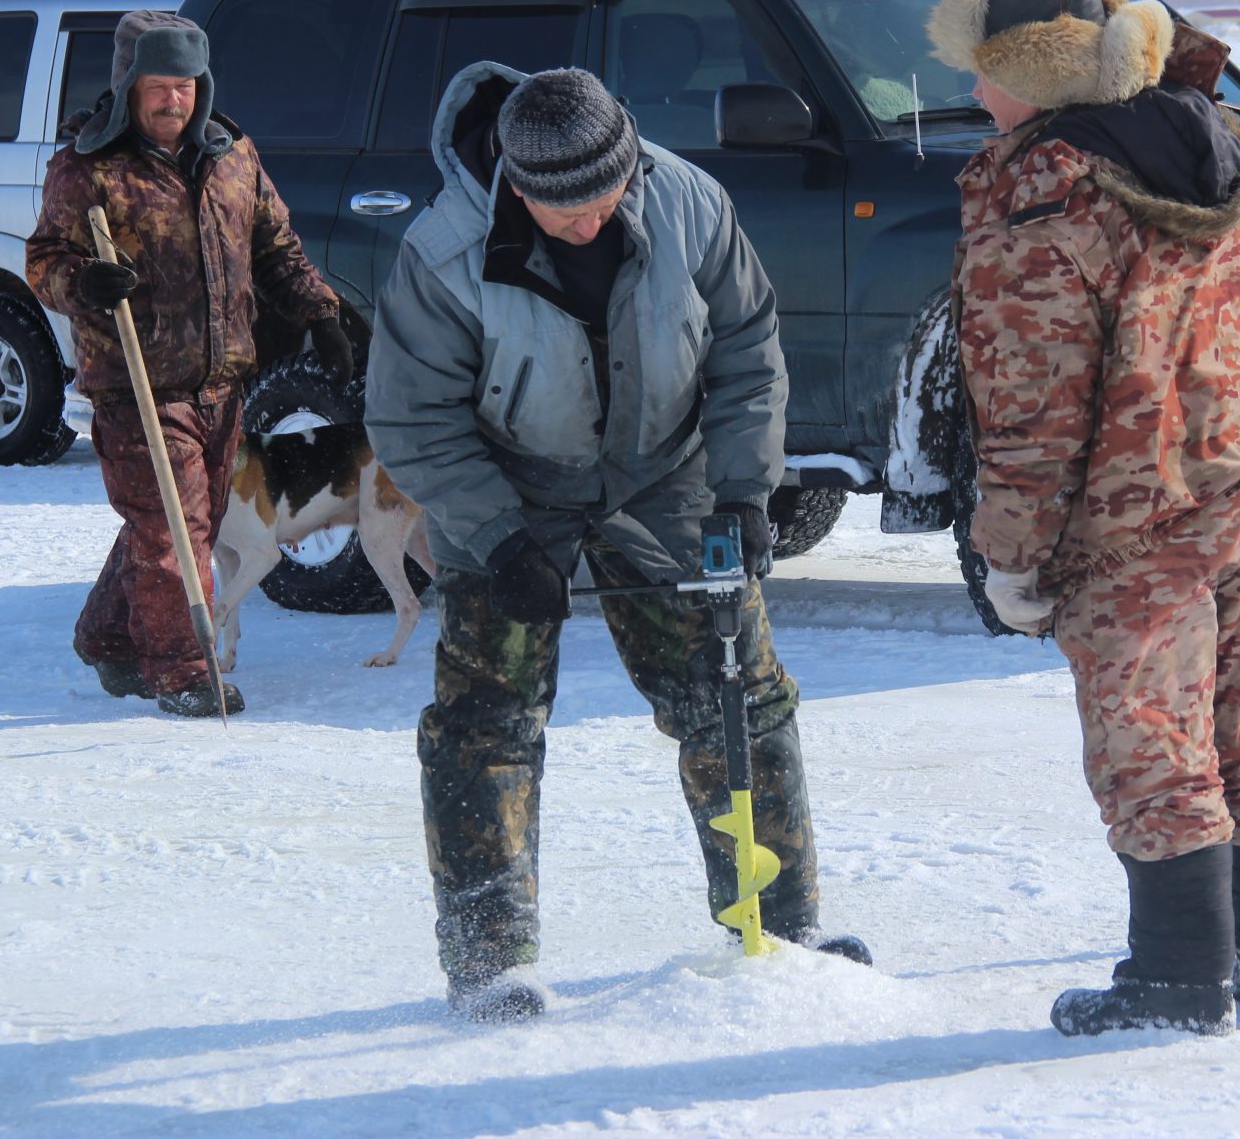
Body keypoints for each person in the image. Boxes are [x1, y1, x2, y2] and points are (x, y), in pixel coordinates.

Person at [364, 64, 868, 1023]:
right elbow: (413, 416)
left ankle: (781, 922)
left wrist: (743, 488)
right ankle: (490, 961)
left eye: (607, 198)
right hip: (506, 486)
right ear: (518, 187)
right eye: (568, 213)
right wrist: (499, 541)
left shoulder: (687, 202)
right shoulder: (443, 252)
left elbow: (745, 345)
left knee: (740, 697)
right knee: (485, 722)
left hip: (666, 474)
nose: (592, 223)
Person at [927, 0, 1240, 1036]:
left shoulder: (1041, 192)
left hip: (1141, 503)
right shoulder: (1213, 148)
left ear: (1037, 70)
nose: (973, 92)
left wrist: (1008, 554)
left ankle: (1174, 979)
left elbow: (1029, 406)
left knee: (1149, 736)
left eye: (985, 69)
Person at [27, 11, 349, 718]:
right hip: (138, 385)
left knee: (179, 520)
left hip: (222, 382)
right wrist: (82, 285)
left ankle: (108, 637)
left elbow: (277, 247)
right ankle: (182, 671)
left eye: (185, 84)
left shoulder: (233, 156)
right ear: (128, 85)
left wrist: (319, 311)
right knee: (173, 530)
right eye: (158, 86)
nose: (174, 100)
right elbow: (44, 260)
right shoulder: (88, 168)